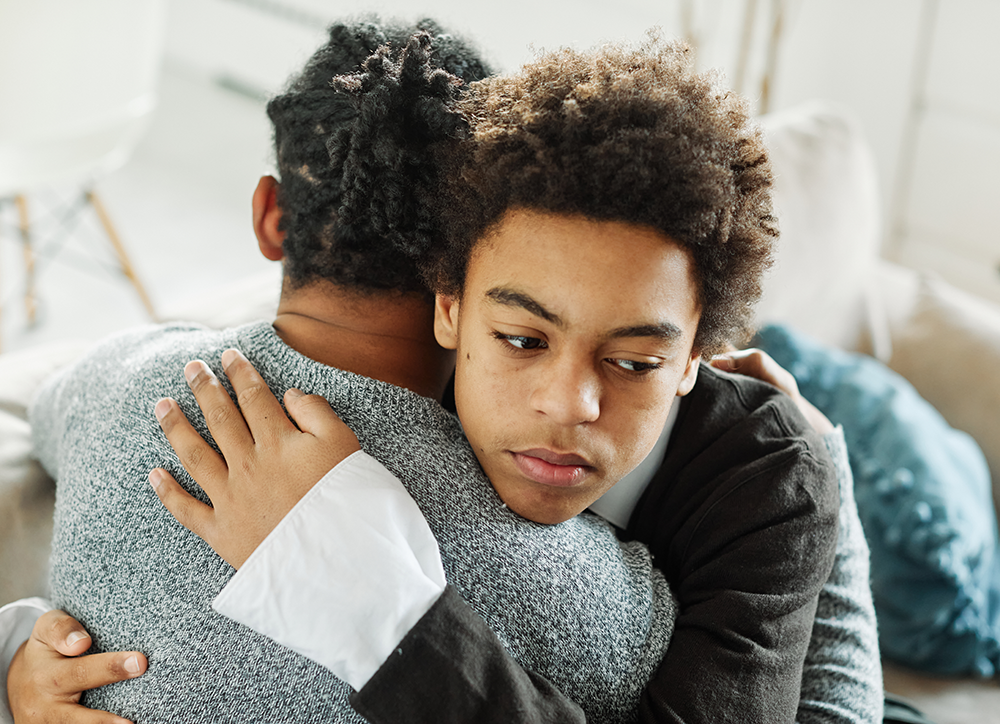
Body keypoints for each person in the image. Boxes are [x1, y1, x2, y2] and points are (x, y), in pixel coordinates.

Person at [2, 27, 884, 724]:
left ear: (691, 355)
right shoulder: (575, 589)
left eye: (634, 362)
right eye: (522, 338)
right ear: (447, 300)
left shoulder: (761, 474)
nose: (565, 404)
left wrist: (821, 485)